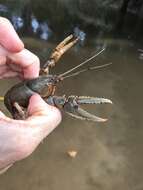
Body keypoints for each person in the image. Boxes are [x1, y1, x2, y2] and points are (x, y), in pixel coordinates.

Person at [0, 17, 61, 173]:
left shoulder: (37, 82)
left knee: (49, 76)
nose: (52, 82)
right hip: (13, 102)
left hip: (18, 96)